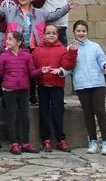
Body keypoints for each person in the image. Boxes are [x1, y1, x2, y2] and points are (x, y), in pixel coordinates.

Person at [65, 19, 106, 156]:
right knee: (88, 114)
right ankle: (92, 141)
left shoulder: (95, 46)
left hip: (97, 83)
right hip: (81, 84)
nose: (81, 33)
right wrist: (61, 72)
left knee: (100, 112)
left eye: (83, 31)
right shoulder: (70, 49)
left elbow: (102, 59)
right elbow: (68, 66)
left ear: (87, 32)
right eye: (78, 31)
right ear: (74, 32)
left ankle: (105, 142)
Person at [0, 31, 42, 155]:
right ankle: (14, 143)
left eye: (10, 39)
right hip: (9, 90)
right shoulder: (4, 56)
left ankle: (26, 142)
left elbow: (32, 73)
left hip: (23, 89)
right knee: (12, 117)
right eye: (7, 39)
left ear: (19, 42)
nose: (7, 41)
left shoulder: (26, 55)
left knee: (25, 117)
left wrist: (41, 71)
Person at [31, 24, 77, 152]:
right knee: (44, 113)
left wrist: (72, 52)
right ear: (44, 35)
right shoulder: (37, 50)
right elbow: (33, 68)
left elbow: (67, 64)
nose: (51, 35)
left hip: (57, 86)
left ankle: (60, 139)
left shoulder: (62, 49)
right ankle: (46, 139)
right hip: (43, 86)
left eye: (54, 33)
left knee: (58, 112)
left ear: (57, 35)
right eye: (48, 33)